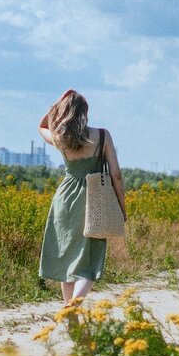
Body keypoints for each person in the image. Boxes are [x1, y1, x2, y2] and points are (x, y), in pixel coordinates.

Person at [37, 89, 126, 304]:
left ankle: (70, 308)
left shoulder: (59, 137)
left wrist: (59, 101)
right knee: (90, 257)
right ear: (85, 113)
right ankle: (74, 305)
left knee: (68, 255)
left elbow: (42, 126)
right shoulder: (102, 135)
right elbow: (116, 175)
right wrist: (121, 208)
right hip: (93, 197)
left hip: (65, 198)